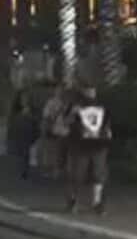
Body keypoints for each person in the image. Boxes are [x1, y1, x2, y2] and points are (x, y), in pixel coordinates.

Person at [63, 84, 112, 215]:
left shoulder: (102, 106)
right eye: (88, 90)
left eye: (92, 90)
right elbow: (65, 122)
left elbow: (107, 123)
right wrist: (73, 114)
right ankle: (73, 200)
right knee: (78, 174)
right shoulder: (75, 106)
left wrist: (107, 134)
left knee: (98, 174)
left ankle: (97, 203)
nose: (90, 93)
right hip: (80, 145)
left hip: (98, 144)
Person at [39, 83, 72, 180]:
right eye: (58, 90)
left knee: (61, 152)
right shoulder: (52, 102)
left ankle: (59, 171)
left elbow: (46, 116)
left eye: (62, 91)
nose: (60, 92)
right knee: (56, 152)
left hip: (64, 131)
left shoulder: (68, 103)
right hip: (57, 130)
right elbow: (46, 116)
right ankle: (56, 171)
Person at [8, 88, 38, 180]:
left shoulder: (32, 109)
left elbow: (36, 120)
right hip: (18, 132)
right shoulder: (16, 110)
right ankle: (21, 169)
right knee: (19, 152)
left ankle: (24, 171)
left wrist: (29, 116)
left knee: (25, 152)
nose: (25, 100)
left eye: (27, 98)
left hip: (28, 133)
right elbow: (12, 120)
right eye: (23, 98)